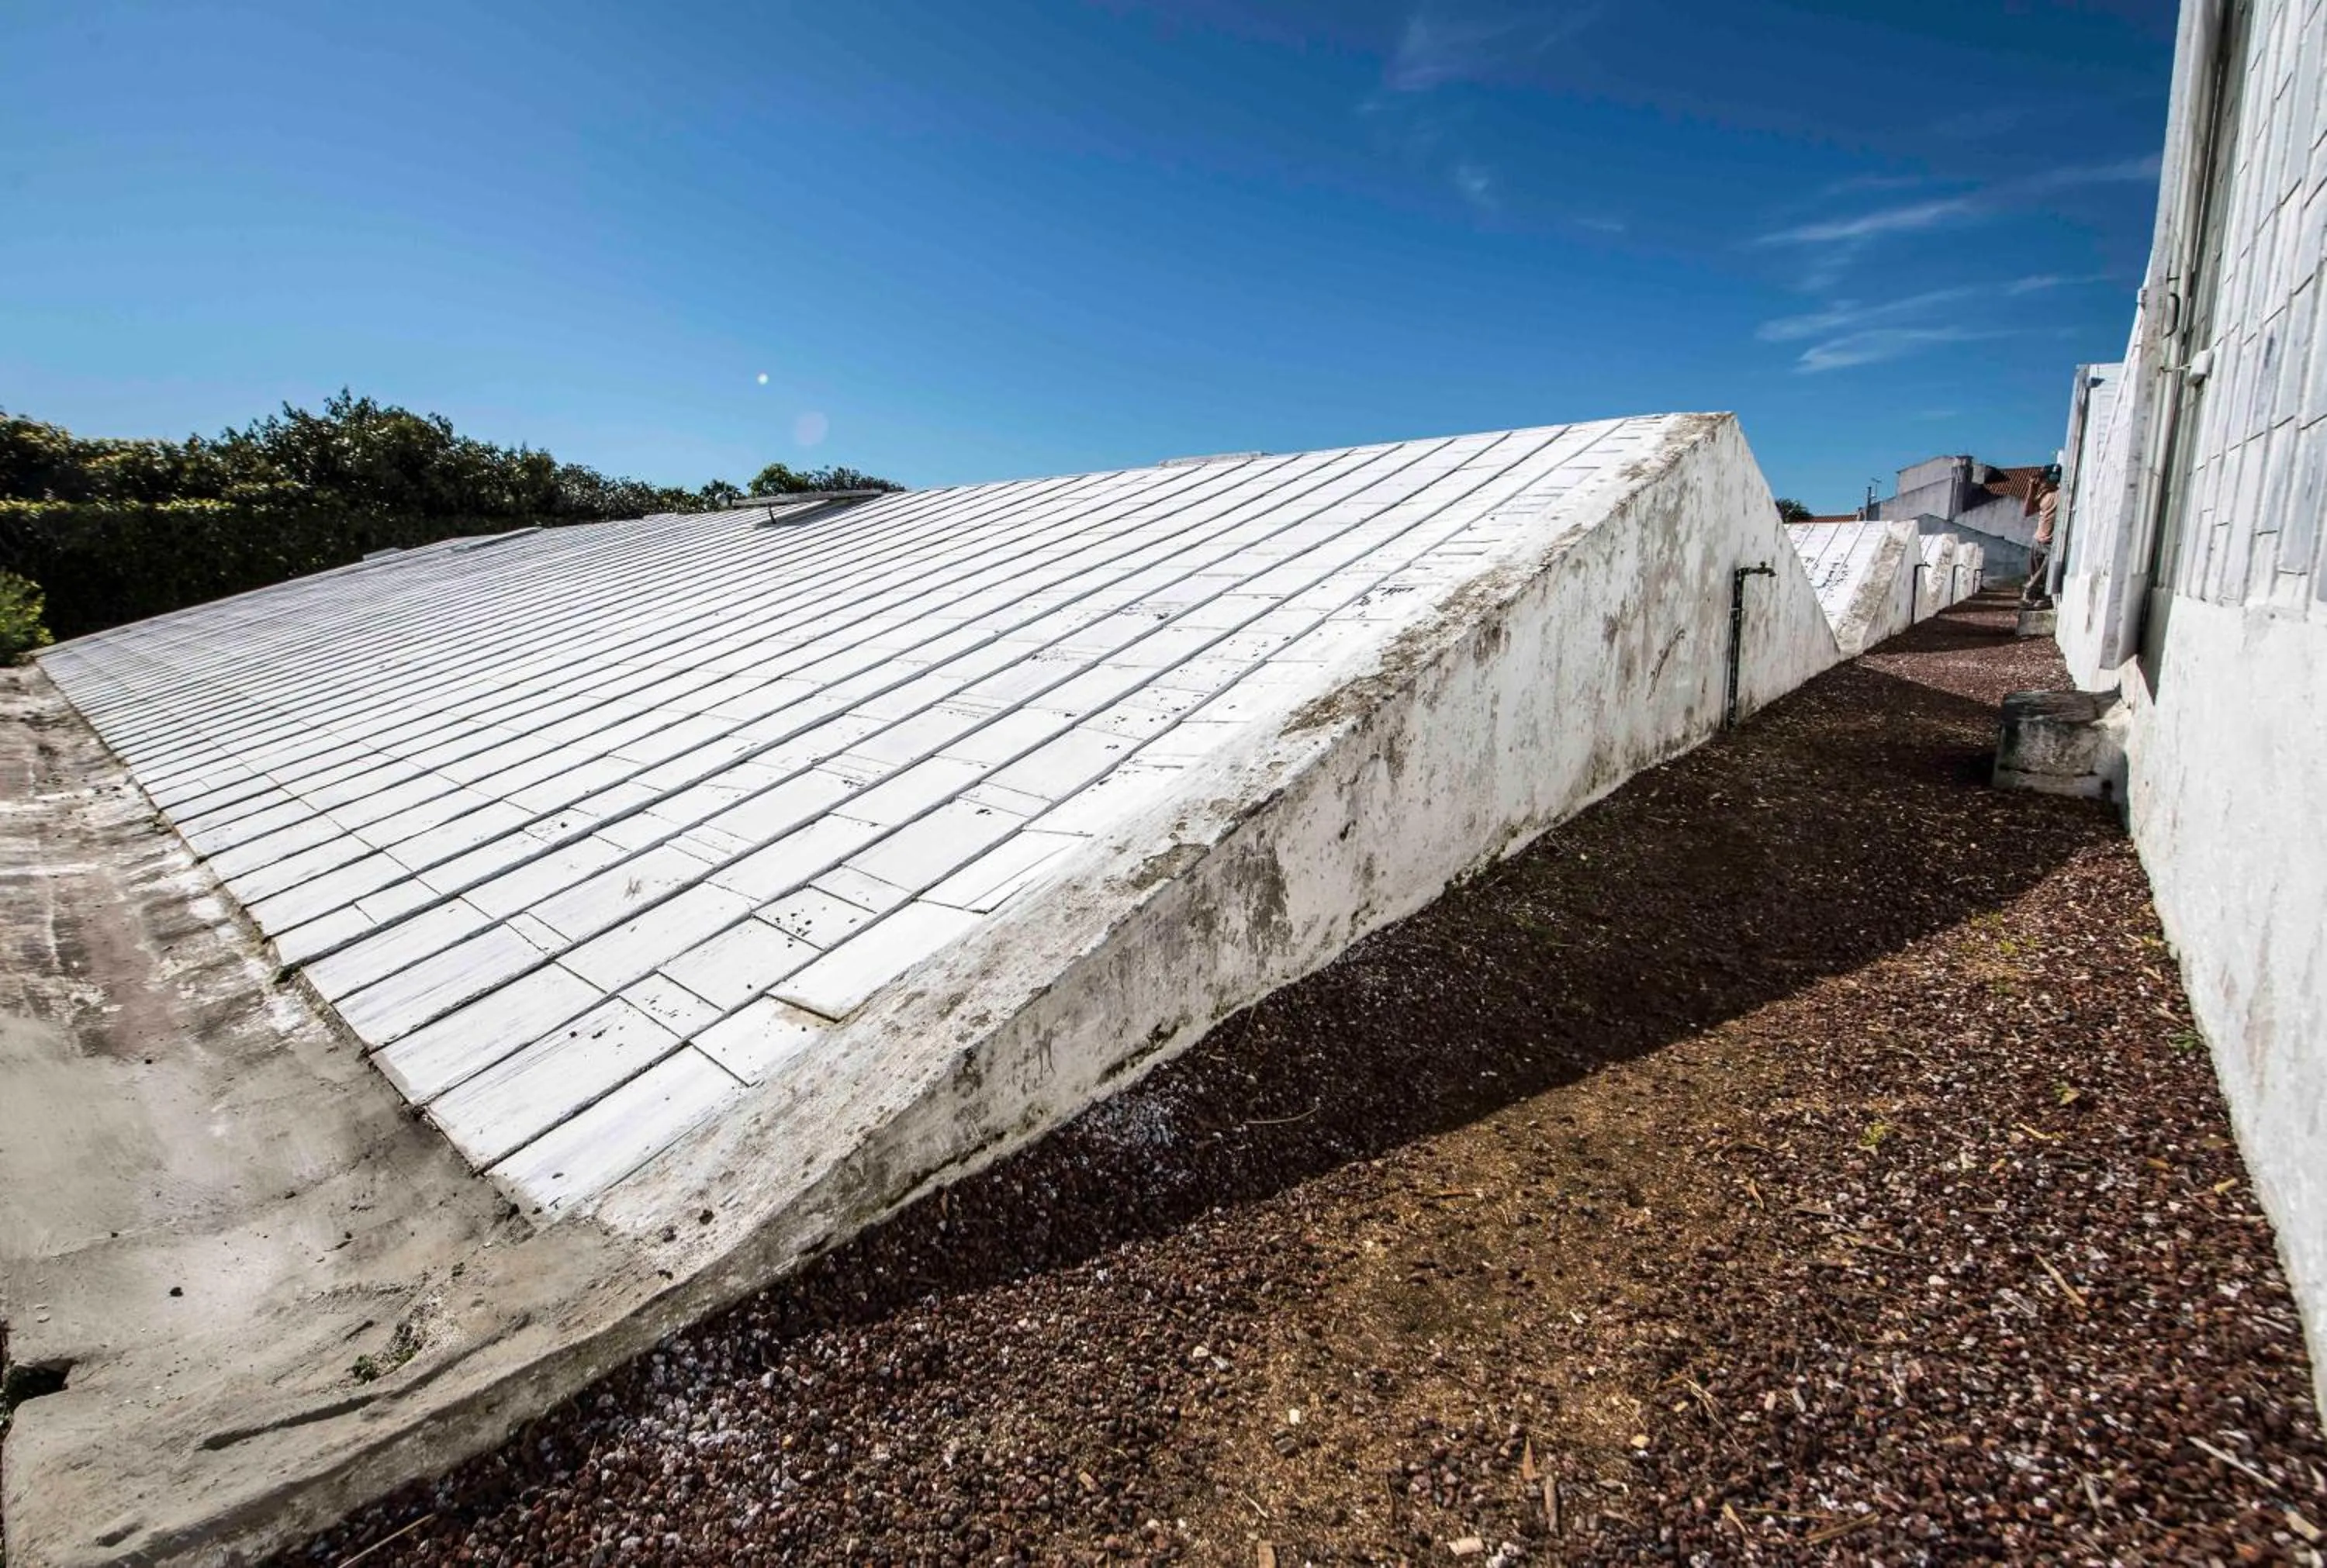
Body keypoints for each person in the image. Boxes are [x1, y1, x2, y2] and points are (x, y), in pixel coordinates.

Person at [2022, 478, 2059, 608]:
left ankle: (2031, 589)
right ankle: (2036, 599)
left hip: (2050, 542)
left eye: (2043, 481)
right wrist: (2031, 489)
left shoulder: (2062, 494)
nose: (2041, 484)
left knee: (2044, 571)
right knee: (2037, 572)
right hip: (2038, 540)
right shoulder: (2045, 494)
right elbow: (2027, 512)